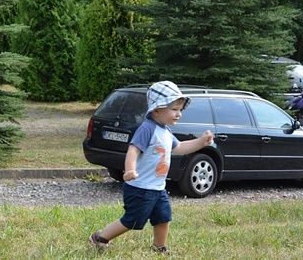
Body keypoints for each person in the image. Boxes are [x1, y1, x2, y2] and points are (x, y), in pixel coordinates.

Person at [88, 81, 214, 255]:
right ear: (157, 110)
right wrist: (130, 170)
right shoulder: (147, 128)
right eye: (174, 109)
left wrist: (201, 142)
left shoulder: (165, 131)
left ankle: (159, 247)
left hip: (157, 188)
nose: (178, 114)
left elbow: (178, 148)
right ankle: (100, 237)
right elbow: (133, 149)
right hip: (139, 187)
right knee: (133, 220)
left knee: (163, 217)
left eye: (180, 110)